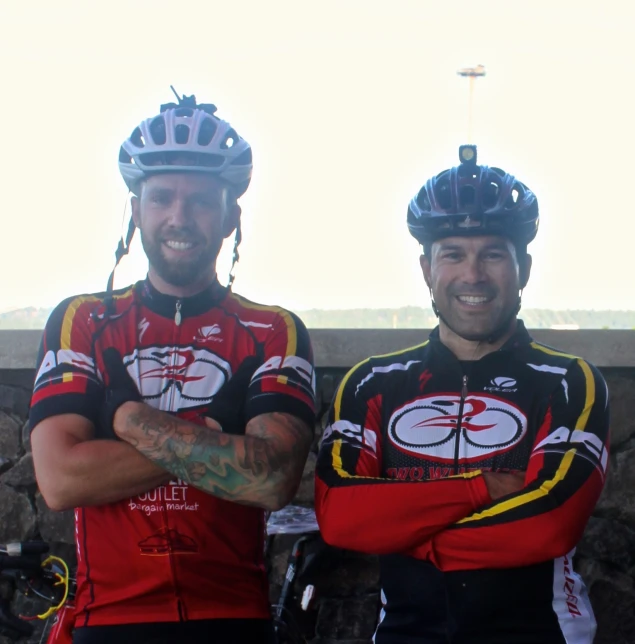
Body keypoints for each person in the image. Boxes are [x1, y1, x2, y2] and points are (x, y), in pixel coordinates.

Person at [29, 90, 316, 644]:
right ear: (136, 210)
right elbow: (62, 479)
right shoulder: (82, 321)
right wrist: (211, 436)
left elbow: (271, 478)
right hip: (109, 619)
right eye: (161, 198)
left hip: (231, 618)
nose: (178, 217)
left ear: (232, 216)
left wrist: (133, 422)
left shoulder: (272, 330)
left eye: (201, 201)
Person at [314, 145, 610, 644]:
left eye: (493, 254)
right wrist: (483, 488)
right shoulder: (373, 381)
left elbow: (550, 523)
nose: (473, 275)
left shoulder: (566, 379)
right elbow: (341, 516)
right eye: (453, 254)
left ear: (525, 270)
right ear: (428, 269)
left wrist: (400, 527)